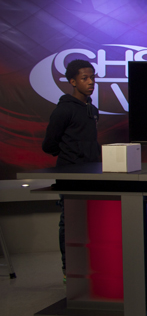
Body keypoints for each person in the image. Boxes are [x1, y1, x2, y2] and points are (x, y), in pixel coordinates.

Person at [42, 59, 101, 279]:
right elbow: (49, 145)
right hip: (69, 173)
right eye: (85, 78)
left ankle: (90, 266)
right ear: (72, 82)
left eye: (92, 77)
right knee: (70, 220)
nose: (90, 82)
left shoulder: (93, 110)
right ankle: (69, 270)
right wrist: (71, 155)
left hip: (93, 174)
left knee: (92, 220)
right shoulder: (64, 110)